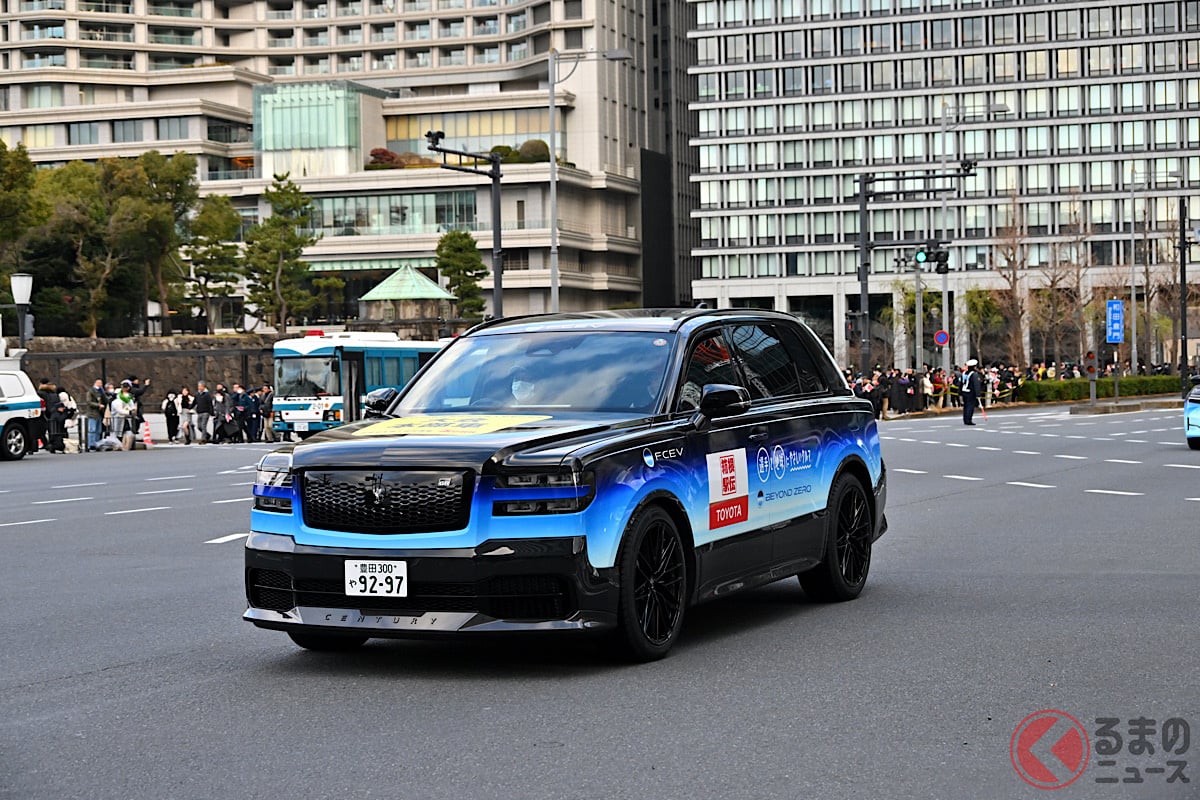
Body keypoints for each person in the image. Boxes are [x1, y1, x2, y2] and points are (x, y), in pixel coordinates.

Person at [85, 378, 108, 450]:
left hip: (99, 413)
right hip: (92, 413)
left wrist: (103, 393)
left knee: (99, 430)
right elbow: (89, 402)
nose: (100, 384)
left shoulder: (101, 392)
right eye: (99, 383)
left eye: (101, 383)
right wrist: (98, 405)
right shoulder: (90, 391)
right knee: (92, 429)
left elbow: (106, 400)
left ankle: (97, 443)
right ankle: (91, 444)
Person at [960, 359, 984, 425]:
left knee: (965, 406)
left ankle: (965, 419)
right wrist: (978, 394)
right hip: (970, 392)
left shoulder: (964, 373)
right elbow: (976, 385)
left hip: (964, 391)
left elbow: (961, 383)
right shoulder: (974, 374)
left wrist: (959, 392)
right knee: (970, 406)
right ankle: (968, 420)